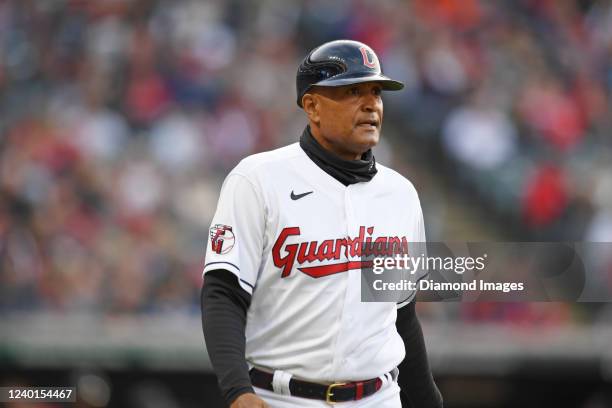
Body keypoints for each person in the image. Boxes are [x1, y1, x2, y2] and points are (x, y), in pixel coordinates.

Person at [201, 39, 443, 408]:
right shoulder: (258, 179)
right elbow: (223, 292)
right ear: (312, 106)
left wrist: (429, 402)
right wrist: (237, 391)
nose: (371, 104)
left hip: (378, 398)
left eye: (376, 91)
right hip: (282, 397)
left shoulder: (401, 193)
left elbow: (401, 314)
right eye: (352, 91)